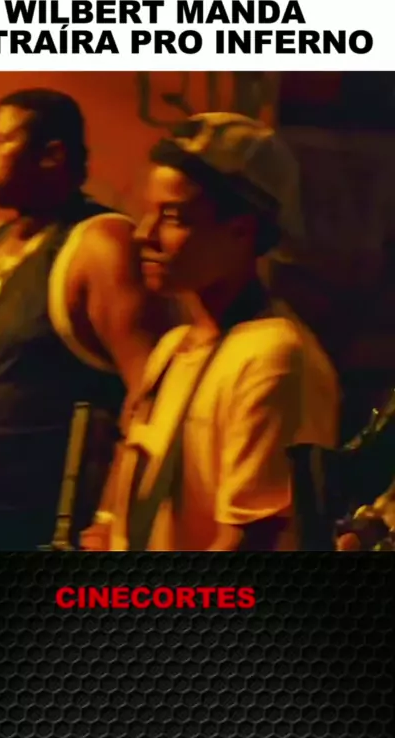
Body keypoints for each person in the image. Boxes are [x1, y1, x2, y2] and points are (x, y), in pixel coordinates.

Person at [0, 88, 175, 551]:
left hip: (40, 540)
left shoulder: (100, 245)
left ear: (51, 156)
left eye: (1, 141)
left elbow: (153, 396)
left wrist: (109, 519)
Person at [82, 112, 340, 551]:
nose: (144, 235)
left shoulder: (273, 358)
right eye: (148, 212)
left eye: (173, 217)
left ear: (242, 230)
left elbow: (251, 545)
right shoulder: (174, 347)